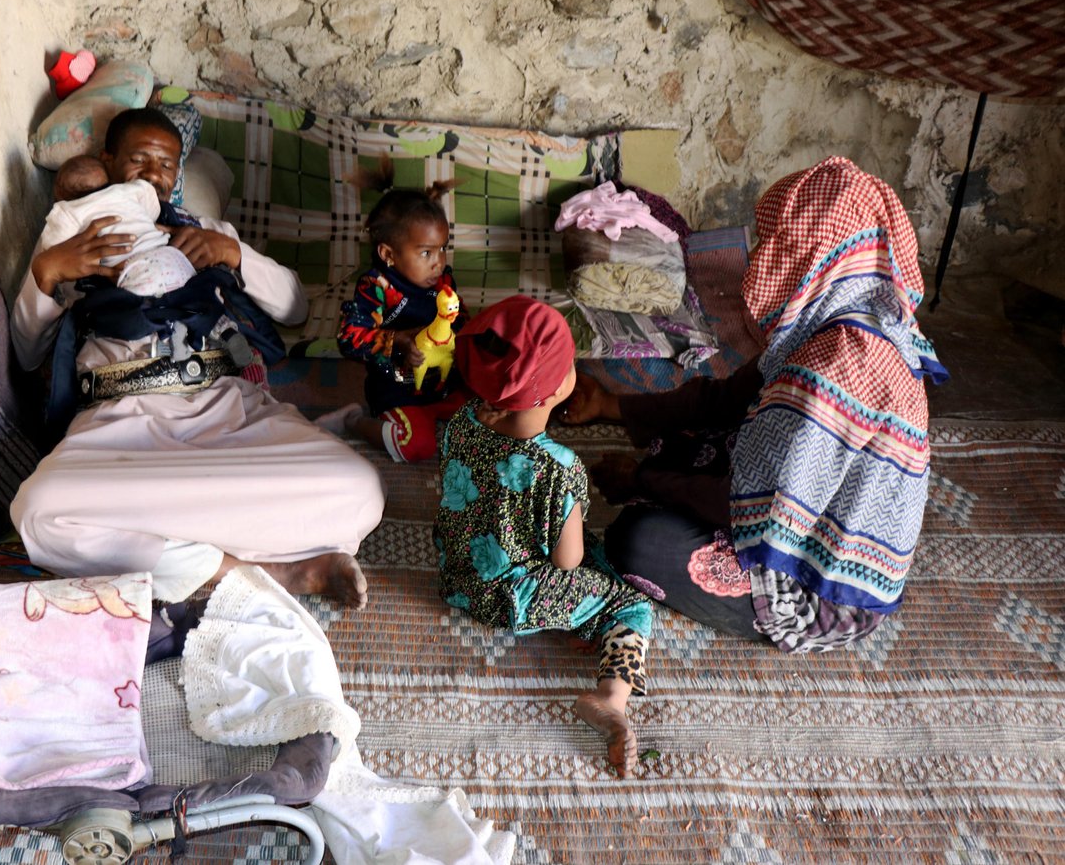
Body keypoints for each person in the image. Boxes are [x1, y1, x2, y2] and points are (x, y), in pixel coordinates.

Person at [559, 157, 948, 653]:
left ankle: (757, 605)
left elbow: (737, 505)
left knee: (638, 541)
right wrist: (612, 405)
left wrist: (641, 480)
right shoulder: (844, 313)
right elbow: (728, 397)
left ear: (815, 252)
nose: (761, 258)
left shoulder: (835, 369)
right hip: (796, 505)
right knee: (696, 438)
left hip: (820, 589)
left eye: (777, 245)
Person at [9, 106, 385, 607]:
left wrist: (232, 253)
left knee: (360, 488)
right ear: (108, 160)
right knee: (37, 510)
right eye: (139, 159)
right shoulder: (78, 232)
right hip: (121, 426)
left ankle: (177, 549)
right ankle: (272, 570)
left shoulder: (205, 231)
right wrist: (48, 272)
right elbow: (26, 350)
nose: (153, 174)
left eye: (166, 164)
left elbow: (294, 307)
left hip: (228, 413)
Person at [433, 295, 655, 778]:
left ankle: (581, 620)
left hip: (457, 573)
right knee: (631, 602)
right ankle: (611, 697)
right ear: (553, 390)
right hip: (510, 597)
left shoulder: (462, 420)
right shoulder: (559, 466)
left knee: (597, 558)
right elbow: (567, 561)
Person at [321, 155, 469, 462]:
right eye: (426, 252)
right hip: (398, 389)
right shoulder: (376, 287)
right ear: (388, 254)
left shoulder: (443, 280)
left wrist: (464, 335)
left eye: (442, 248)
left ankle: (440, 415)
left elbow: (460, 319)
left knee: (495, 412)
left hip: (444, 385)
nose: (438, 261)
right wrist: (397, 341)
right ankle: (354, 421)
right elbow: (349, 338)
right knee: (416, 446)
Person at [47, 154, 196, 299]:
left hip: (134, 268)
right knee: (189, 297)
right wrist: (146, 220)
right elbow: (149, 195)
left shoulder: (69, 211)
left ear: (61, 197)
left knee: (138, 308)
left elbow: (52, 247)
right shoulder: (126, 190)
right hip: (170, 254)